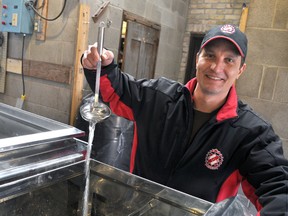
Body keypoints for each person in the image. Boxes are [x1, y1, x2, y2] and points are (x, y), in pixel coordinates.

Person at [81, 24, 288, 215]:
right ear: (198, 57)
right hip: (138, 210)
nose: (216, 67)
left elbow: (278, 189)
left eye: (229, 60)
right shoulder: (159, 98)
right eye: (210, 55)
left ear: (241, 69)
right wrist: (100, 65)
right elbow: (117, 89)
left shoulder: (251, 132)